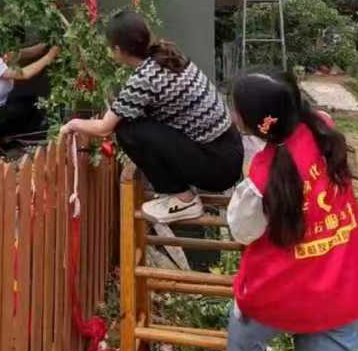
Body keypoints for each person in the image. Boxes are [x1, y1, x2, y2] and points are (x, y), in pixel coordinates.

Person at [222, 72, 358, 351]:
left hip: (281, 293)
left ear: (249, 124)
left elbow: (242, 231)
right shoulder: (323, 129)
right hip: (343, 288)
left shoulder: (262, 178)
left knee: (242, 338)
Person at [59, 11, 242, 224]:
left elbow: (104, 128)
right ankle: (179, 195)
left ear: (117, 50)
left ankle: (184, 200)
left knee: (127, 130)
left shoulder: (144, 78)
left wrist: (72, 124)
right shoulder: (168, 55)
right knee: (132, 121)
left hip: (217, 166)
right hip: (229, 150)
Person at [0, 41, 58, 158]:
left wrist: (50, 42)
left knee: (29, 103)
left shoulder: (8, 55)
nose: (17, 51)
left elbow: (32, 51)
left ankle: (4, 138)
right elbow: (25, 74)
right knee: (3, 111)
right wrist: (50, 56)